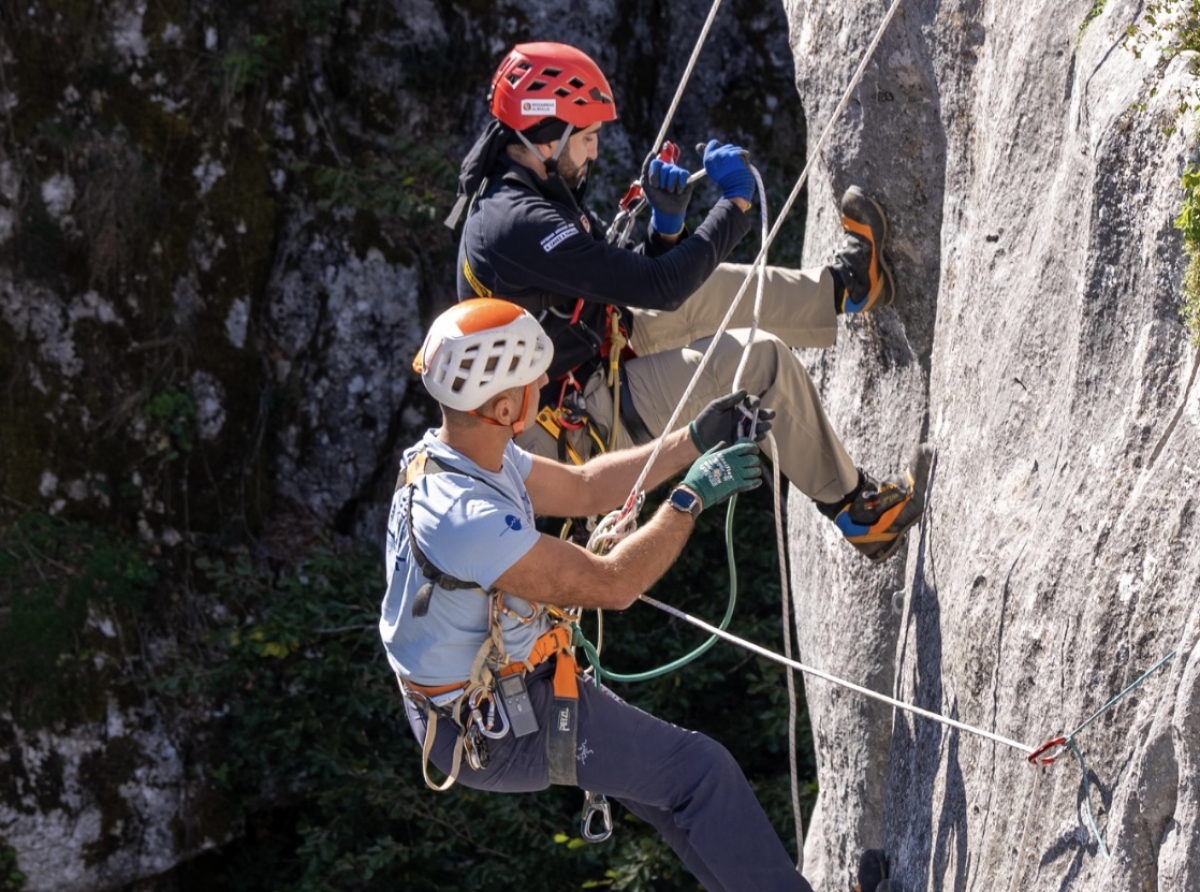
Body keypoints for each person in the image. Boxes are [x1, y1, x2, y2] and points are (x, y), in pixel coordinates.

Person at [381, 298, 898, 892]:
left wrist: (692, 440)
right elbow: (613, 585)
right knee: (701, 777)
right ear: (502, 407)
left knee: (679, 798)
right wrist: (690, 498)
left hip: (486, 700)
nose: (547, 383)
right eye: (533, 382)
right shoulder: (463, 517)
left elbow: (583, 485)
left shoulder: (455, 455)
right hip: (496, 727)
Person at [446, 41, 931, 564]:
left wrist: (666, 230)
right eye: (586, 138)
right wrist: (734, 206)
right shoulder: (516, 225)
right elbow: (659, 287)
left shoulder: (524, 188)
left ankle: (849, 286)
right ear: (549, 137)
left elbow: (636, 280)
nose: (593, 153)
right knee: (760, 360)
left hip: (588, 357)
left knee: (708, 286)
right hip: (575, 422)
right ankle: (859, 514)